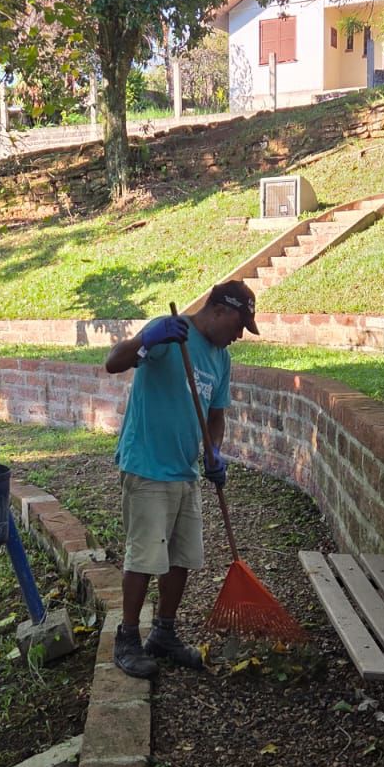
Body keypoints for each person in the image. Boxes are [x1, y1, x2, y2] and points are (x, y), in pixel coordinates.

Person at [104, 280, 259, 677]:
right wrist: (146, 339)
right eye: (239, 325)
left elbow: (216, 417)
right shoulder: (170, 333)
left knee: (180, 558)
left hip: (185, 470)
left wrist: (214, 451)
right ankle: (127, 638)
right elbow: (113, 362)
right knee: (144, 557)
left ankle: (164, 634)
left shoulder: (221, 359)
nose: (240, 335)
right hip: (147, 465)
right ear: (220, 311)